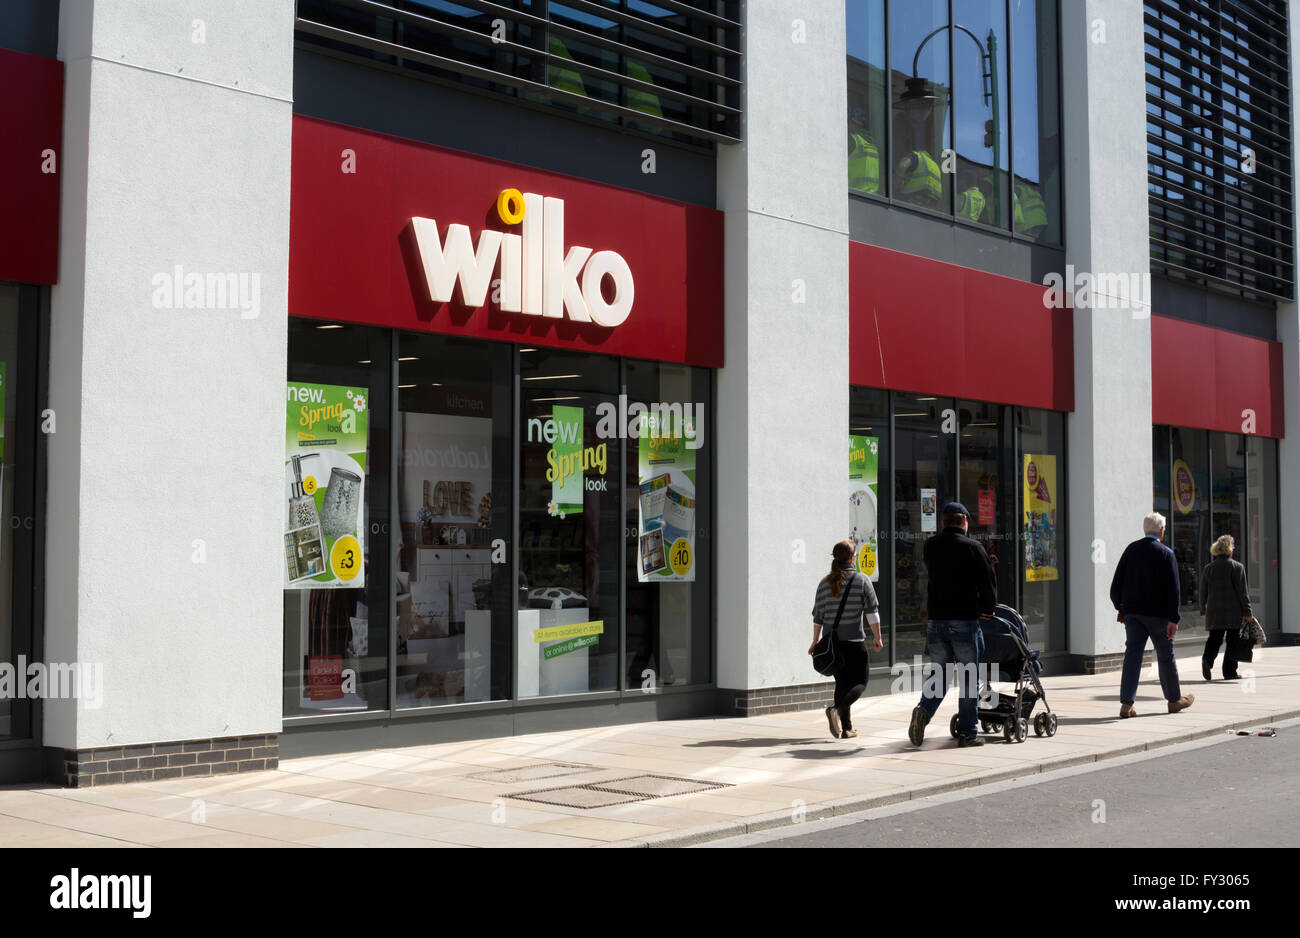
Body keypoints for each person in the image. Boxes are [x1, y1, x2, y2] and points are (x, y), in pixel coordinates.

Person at [907, 502, 997, 748]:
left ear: (943, 522)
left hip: (936, 621)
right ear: (965, 522)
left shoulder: (930, 546)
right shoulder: (973, 548)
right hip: (964, 622)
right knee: (969, 679)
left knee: (940, 674)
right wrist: (988, 609)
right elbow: (987, 584)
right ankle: (968, 732)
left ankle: (923, 710)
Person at [1110, 512, 1195, 717]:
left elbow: (1116, 585)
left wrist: (1121, 608)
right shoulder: (1166, 553)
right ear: (1162, 530)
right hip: (1158, 616)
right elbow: (1174, 590)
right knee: (1166, 656)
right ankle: (1174, 700)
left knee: (1132, 657)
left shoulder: (1131, 549)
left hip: (1133, 614)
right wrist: (1173, 618)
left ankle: (1127, 703)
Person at [808, 540, 883, 739]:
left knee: (842, 683)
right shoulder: (861, 580)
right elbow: (872, 613)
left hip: (831, 644)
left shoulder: (824, 583)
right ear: (852, 558)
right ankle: (837, 710)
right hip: (854, 642)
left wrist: (815, 641)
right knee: (860, 681)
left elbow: (818, 616)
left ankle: (847, 728)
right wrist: (878, 637)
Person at [1199, 534, 1253, 681]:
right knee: (1232, 640)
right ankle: (1229, 672)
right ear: (1229, 548)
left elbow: (1203, 591)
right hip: (1233, 611)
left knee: (1214, 638)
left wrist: (1203, 609)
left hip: (1214, 611)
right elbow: (1243, 593)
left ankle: (1207, 661)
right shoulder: (1237, 567)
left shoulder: (1208, 568)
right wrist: (1248, 612)